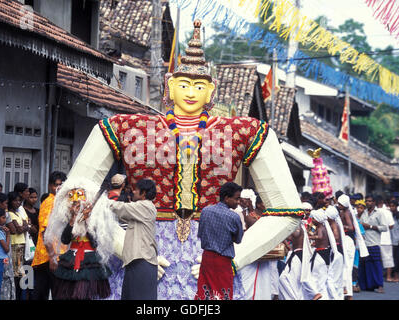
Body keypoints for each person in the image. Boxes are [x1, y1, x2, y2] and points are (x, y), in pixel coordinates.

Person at [57, 20, 304, 300]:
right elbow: (74, 197)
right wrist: (126, 247)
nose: (190, 92)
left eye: (199, 86)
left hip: (210, 255)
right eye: (184, 84)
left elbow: (288, 211)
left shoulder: (244, 131)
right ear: (170, 86)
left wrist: (234, 258)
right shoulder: (126, 126)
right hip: (144, 247)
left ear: (212, 91)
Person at [51, 183, 115, 300]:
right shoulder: (69, 218)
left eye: (78, 201)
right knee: (69, 294)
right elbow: (65, 240)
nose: (76, 204)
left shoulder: (94, 219)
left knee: (86, 294)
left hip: (89, 259)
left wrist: (87, 222)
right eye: (73, 201)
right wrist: (72, 220)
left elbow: (95, 243)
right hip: (72, 257)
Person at [107, 179, 158, 300]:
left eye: (136, 190)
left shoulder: (145, 206)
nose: (133, 192)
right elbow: (122, 215)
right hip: (138, 261)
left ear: (143, 193)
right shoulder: (141, 210)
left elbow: (121, 208)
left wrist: (100, 202)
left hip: (141, 261)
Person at [194, 182, 243, 300]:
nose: (238, 202)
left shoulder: (205, 211)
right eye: (236, 199)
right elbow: (238, 239)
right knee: (223, 292)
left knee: (204, 291)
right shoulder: (234, 217)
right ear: (226, 198)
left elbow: (200, 233)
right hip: (223, 261)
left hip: (207, 258)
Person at [31, 171, 67, 300]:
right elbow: (45, 232)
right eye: (56, 185)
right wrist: (52, 257)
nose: (58, 188)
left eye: (61, 185)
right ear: (49, 186)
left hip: (55, 255)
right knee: (54, 293)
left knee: (44, 292)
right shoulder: (50, 202)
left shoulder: (60, 201)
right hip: (49, 255)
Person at [358, 195, 388, 293]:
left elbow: (385, 227)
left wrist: (370, 226)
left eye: (370, 201)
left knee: (376, 265)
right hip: (364, 244)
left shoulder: (379, 213)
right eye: (366, 201)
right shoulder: (364, 213)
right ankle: (367, 285)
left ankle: (380, 285)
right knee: (365, 265)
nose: (368, 203)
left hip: (374, 243)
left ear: (374, 202)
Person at [303, 209, 333, 300]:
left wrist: (309, 237)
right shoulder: (322, 227)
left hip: (321, 253)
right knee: (320, 275)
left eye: (313, 219)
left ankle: (320, 295)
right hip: (322, 252)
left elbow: (319, 237)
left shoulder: (320, 228)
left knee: (318, 275)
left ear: (317, 219)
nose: (312, 220)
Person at [8, 191, 29, 300]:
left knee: (21, 272)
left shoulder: (18, 213)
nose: (18, 203)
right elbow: (19, 229)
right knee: (18, 273)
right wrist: (24, 226)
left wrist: (24, 226)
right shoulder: (9, 214)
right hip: (15, 244)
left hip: (21, 244)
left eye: (19, 200)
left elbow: (26, 225)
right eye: (15, 200)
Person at [375, 195, 396, 282]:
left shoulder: (373, 212)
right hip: (386, 239)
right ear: (383, 202)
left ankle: (377, 277)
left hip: (375, 239)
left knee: (376, 260)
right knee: (388, 259)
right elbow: (391, 225)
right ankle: (388, 277)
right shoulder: (387, 212)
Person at [389, 200, 399, 282]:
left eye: (393, 206)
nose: (392, 207)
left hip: (396, 240)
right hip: (390, 240)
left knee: (396, 259)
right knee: (392, 258)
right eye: (390, 206)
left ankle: (396, 276)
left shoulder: (397, 216)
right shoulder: (389, 215)